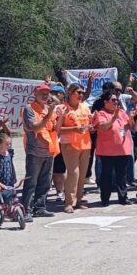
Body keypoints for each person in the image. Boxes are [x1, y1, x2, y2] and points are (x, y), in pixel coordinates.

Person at [22, 84, 59, 220]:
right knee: (31, 182)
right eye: (42, 93)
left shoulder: (48, 109)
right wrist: (49, 114)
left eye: (47, 93)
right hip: (35, 151)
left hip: (49, 150)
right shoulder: (29, 109)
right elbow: (35, 127)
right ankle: (26, 209)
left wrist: (60, 116)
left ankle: (40, 207)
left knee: (45, 182)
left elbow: (55, 129)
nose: (45, 95)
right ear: (35, 94)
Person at [92, 90, 135, 206]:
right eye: (113, 100)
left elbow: (131, 126)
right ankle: (105, 199)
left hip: (122, 150)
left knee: (122, 176)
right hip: (107, 151)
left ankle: (123, 198)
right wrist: (113, 118)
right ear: (106, 102)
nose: (116, 102)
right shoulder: (101, 113)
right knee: (106, 176)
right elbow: (102, 127)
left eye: (117, 100)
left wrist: (131, 118)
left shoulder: (121, 112)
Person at [56, 83, 92, 213]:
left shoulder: (85, 107)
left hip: (85, 143)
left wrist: (92, 125)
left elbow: (88, 123)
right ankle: (69, 202)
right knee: (74, 173)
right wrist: (74, 129)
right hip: (70, 144)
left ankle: (79, 199)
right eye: (78, 92)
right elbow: (58, 129)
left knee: (82, 174)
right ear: (70, 93)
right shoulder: (62, 108)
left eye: (82, 93)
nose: (81, 95)